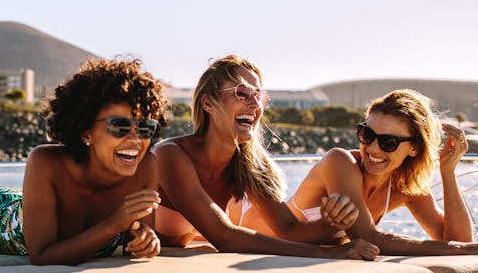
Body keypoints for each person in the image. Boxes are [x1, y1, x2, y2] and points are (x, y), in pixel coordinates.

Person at [153, 54, 379, 261]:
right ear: (208, 103)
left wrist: (331, 224)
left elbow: (290, 230)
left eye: (258, 96)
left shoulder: (248, 164)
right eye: (242, 93)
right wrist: (327, 253)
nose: (254, 104)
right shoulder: (171, 155)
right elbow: (224, 237)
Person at [0, 58, 167, 265]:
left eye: (145, 128)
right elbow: (42, 255)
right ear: (85, 131)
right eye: (119, 127)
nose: (136, 139)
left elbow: (134, 244)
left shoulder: (146, 168)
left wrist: (146, 240)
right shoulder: (46, 162)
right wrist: (113, 225)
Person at [280, 88, 478, 255]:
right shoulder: (340, 161)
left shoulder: (404, 186)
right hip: (267, 249)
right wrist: (461, 249)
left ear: (414, 148)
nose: (373, 148)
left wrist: (447, 172)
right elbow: (366, 237)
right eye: (367, 134)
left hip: (309, 263)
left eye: (388, 142)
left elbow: (460, 242)